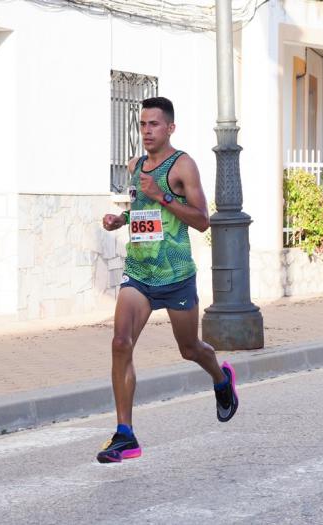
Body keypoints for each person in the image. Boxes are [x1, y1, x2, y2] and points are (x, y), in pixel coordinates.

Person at [98, 96, 238, 463]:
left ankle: (222, 379)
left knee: (190, 348)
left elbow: (202, 219)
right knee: (120, 342)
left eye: (154, 124)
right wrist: (121, 221)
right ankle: (124, 434)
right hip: (140, 273)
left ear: (170, 128)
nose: (146, 131)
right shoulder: (135, 166)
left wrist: (161, 194)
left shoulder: (183, 166)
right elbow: (142, 213)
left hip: (175, 274)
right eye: (142, 124)